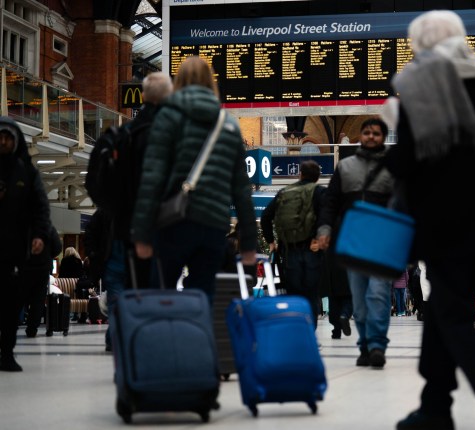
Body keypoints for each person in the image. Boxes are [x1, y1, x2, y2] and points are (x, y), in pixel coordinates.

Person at [383, 11, 475, 430]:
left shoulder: (419, 84)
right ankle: (435, 408)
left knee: (451, 316)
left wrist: (395, 143)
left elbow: (411, 161)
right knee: (442, 313)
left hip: (441, 225)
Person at [132, 56, 256, 303]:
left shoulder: (167, 117)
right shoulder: (228, 125)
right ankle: (197, 338)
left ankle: (169, 338)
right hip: (213, 225)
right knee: (203, 296)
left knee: (162, 295)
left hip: (173, 222)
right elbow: (242, 190)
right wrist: (249, 244)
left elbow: (152, 178)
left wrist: (142, 233)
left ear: (179, 82)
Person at [97, 72, 173, 351]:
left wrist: (113, 209)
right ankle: (145, 345)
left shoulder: (123, 134)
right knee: (151, 288)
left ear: (142, 97)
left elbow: (98, 182)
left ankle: (116, 337)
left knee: (119, 286)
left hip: (120, 228)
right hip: (155, 229)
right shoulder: (166, 135)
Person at [318, 117, 395, 369]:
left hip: (382, 241)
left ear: (383, 137)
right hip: (352, 241)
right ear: (360, 136)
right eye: (367, 132)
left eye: (376, 133)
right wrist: (325, 229)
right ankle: (364, 345)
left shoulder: (393, 167)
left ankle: (377, 346)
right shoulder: (345, 167)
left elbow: (403, 205)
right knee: (360, 300)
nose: (371, 136)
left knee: (379, 294)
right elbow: (331, 202)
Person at [0, 117, 51, 371]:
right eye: (0, 137)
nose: (4, 142)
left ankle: (6, 352)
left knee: (10, 304)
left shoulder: (27, 173)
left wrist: (39, 235)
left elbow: (40, 207)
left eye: (8, 138)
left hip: (14, 250)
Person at [261, 160, 325, 328]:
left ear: (300, 174)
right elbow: (327, 217)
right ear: (318, 177)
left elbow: (266, 217)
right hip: (312, 250)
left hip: (288, 252)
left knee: (293, 295)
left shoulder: (284, 192)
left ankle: (296, 331)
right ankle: (309, 333)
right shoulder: (319, 192)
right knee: (311, 294)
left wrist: (271, 242)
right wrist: (320, 238)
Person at [21, 225, 62, 337]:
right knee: (38, 300)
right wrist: (47, 256)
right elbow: (58, 247)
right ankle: (32, 328)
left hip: (24, 268)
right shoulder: (48, 228)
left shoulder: (20, 226)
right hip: (42, 269)